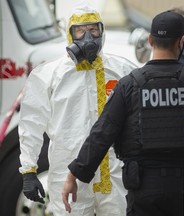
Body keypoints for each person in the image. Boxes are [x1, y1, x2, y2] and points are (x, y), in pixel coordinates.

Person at [62, 10, 184, 216]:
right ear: (182, 41)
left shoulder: (130, 84)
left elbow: (102, 133)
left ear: (150, 40)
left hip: (143, 186)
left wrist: (73, 175)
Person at [18, 4, 137, 216]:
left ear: (102, 32)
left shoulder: (122, 71)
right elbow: (31, 124)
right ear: (70, 34)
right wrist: (29, 170)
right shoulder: (49, 76)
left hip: (114, 173)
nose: (88, 37)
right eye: (80, 31)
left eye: (93, 30)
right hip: (67, 175)